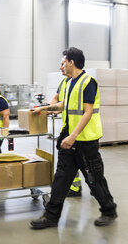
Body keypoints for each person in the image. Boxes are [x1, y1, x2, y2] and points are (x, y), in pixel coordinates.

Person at [30, 47, 117, 229]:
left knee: (94, 179)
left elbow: (88, 111)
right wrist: (43, 109)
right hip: (68, 140)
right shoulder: (69, 83)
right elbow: (63, 105)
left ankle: (109, 210)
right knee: (61, 179)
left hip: (85, 141)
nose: (61, 65)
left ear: (71, 62)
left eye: (64, 61)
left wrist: (73, 136)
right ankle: (51, 217)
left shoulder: (88, 82)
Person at [49, 57, 82, 197]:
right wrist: (50, 108)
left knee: (84, 162)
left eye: (63, 64)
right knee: (70, 159)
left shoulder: (82, 82)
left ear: (71, 63)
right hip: (68, 128)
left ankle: (95, 186)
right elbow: (57, 99)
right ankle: (74, 187)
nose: (61, 67)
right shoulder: (64, 82)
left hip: (81, 129)